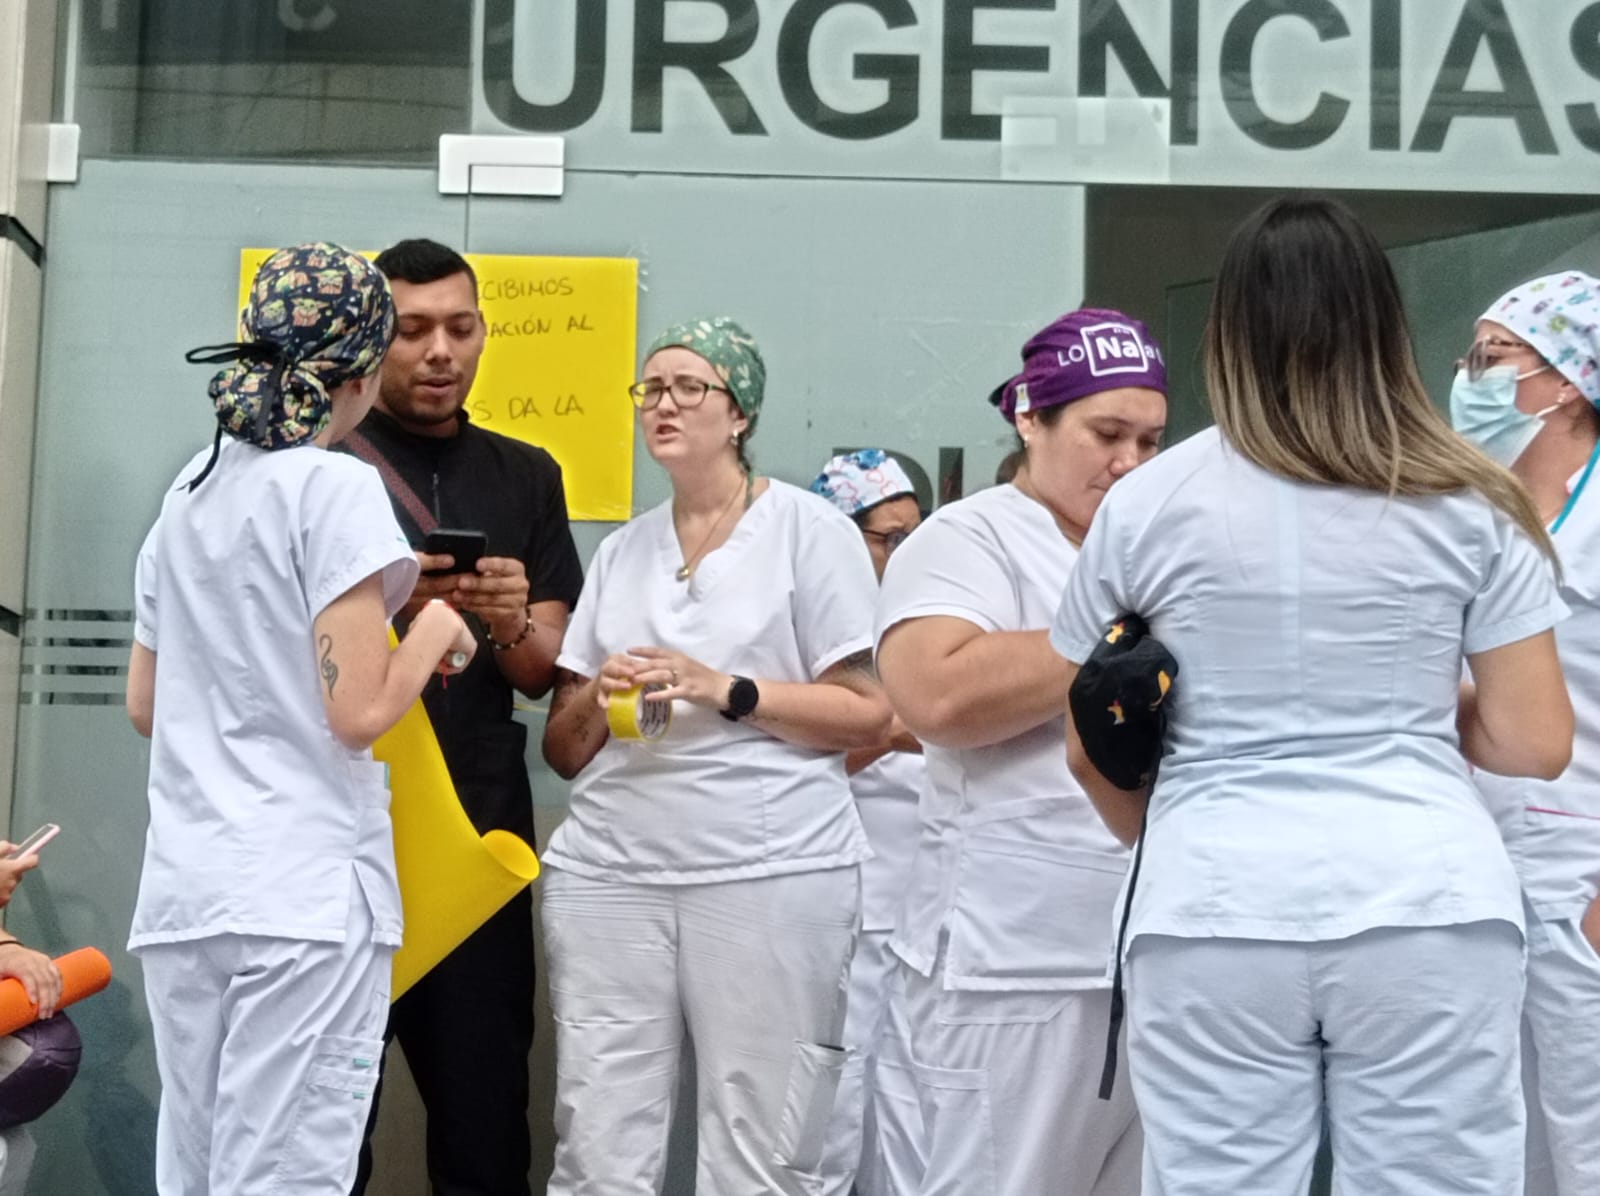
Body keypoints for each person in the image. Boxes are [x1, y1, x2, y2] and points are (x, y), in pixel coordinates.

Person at [1051, 196, 1574, 1196]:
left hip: (1208, 907)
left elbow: (1089, 744)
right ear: (1382, 324)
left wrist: (1177, 834)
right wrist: (1418, 700)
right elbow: (1533, 737)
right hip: (1427, 903)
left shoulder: (1146, 505)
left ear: (1224, 335)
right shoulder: (1470, 499)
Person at [125, 243, 476, 1195]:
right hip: (303, 900)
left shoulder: (188, 494)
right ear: (360, 379)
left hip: (188, 895)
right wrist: (437, 623)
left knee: (195, 1170)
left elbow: (145, 704)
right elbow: (359, 711)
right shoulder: (333, 487)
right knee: (281, 1175)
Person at [540, 316, 892, 1195]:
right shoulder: (622, 549)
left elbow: (868, 715)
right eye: (650, 388)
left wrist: (721, 686)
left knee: (764, 1131)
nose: (663, 404)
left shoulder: (810, 533)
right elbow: (565, 748)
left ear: (740, 413)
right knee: (598, 1131)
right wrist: (601, 687)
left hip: (767, 867)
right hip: (613, 871)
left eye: (688, 387)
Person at [873, 307, 1167, 1195]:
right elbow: (939, 695)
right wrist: (1115, 638)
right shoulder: (968, 538)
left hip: (1152, 959)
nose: (1130, 464)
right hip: (1011, 970)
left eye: (1152, 441)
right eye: (1106, 434)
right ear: (1030, 419)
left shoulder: (1163, 539)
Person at [341, 238, 583, 1196]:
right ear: (373, 340)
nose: (440, 350)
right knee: (324, 1126)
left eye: (461, 326)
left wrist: (509, 615)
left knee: (486, 1126)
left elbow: (540, 671)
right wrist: (393, 614)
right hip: (349, 827)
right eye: (411, 330)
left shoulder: (526, 473)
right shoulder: (323, 468)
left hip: (480, 832)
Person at [1450, 270, 1600, 1196]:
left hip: (1581, 888)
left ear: (1570, 380)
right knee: (1483, 1160)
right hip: (1470, 892)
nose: (1468, 378)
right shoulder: (1461, 514)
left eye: (1493, 357)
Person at [808, 450, 927, 1196]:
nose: (904, 556)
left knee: (910, 1127)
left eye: (917, 537)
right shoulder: (811, 635)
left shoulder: (929, 628)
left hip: (921, 923)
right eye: (889, 538)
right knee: (827, 1125)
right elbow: (793, 771)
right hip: (837, 919)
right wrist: (883, 728)